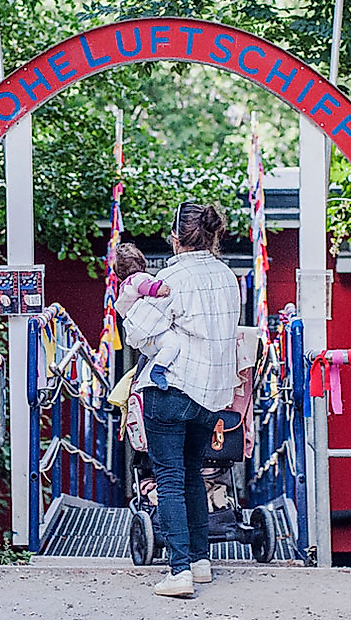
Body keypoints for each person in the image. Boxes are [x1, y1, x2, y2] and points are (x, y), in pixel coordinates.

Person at [123, 202, 241, 598]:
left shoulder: (172, 276)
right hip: (212, 395)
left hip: (170, 390)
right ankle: (200, 560)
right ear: (214, 235)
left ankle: (179, 571)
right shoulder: (229, 277)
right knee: (193, 471)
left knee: (169, 477)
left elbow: (137, 332)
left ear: (176, 237)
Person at [112, 242, 177, 390]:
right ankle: (158, 371)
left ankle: (144, 374)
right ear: (141, 263)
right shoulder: (138, 278)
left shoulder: (123, 289)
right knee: (173, 345)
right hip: (153, 331)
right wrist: (161, 289)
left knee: (152, 354)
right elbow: (147, 287)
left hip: (141, 339)